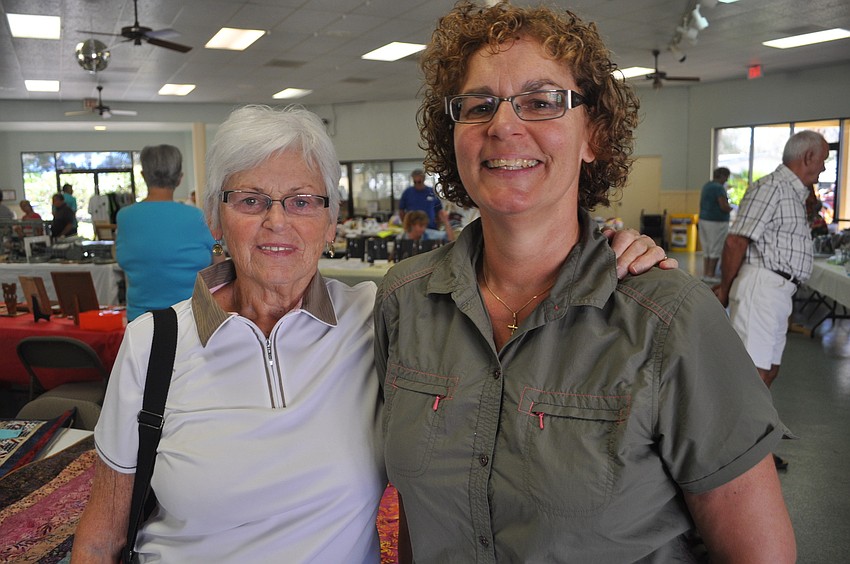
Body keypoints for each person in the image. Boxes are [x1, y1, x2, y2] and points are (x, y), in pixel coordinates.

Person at [73, 104, 670, 563]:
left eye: (302, 201)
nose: (277, 221)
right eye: (251, 200)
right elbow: (101, 538)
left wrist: (604, 248)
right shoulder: (154, 345)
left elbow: (506, 274)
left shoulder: (381, 315)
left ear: (332, 221)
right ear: (214, 217)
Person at [373, 2, 795, 562]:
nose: (503, 125)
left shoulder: (669, 319)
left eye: (541, 102)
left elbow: (760, 554)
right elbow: (415, 517)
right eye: (478, 105)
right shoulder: (404, 302)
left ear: (593, 134)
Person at [714, 130, 829, 468]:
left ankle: (752, 448)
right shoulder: (773, 187)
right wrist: (725, 290)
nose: (824, 168)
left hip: (778, 292)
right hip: (762, 288)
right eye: (823, 160)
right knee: (754, 375)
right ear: (808, 157)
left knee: (768, 371)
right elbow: (736, 241)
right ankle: (734, 456)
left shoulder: (794, 193)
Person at [115, 144, 215, 321]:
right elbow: (217, 257)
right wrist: (218, 247)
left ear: (143, 176)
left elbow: (121, 258)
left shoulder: (124, 217)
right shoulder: (197, 216)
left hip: (141, 321)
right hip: (191, 318)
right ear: (179, 179)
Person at [398, 169, 455, 241]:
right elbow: (401, 211)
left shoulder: (431, 192)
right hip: (412, 230)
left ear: (423, 179)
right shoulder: (407, 193)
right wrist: (406, 225)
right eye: (415, 182)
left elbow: (439, 211)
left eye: (419, 182)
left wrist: (443, 222)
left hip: (431, 227)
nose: (417, 184)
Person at [698, 166, 732, 280]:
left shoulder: (707, 185)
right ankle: (711, 274)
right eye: (726, 177)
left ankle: (706, 273)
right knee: (715, 248)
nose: (726, 180)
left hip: (704, 220)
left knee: (707, 249)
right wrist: (731, 208)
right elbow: (723, 206)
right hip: (716, 222)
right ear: (722, 176)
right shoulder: (719, 188)